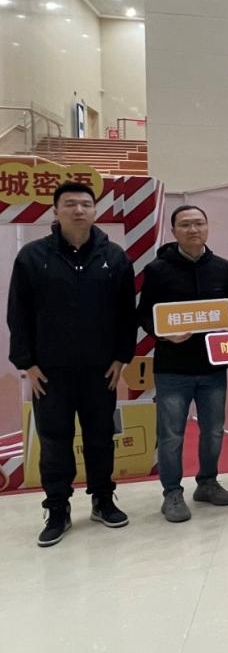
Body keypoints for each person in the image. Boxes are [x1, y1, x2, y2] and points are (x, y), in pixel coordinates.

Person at [7, 182, 136, 547]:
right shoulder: (33, 256)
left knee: (100, 437)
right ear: (55, 211)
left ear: (95, 211)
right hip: (50, 371)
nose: (78, 210)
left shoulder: (115, 256)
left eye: (85, 204)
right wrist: (27, 363)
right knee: (54, 440)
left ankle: (103, 499)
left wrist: (122, 356)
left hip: (101, 369)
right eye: (70, 204)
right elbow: (18, 313)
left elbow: (126, 313)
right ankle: (57, 509)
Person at [137, 205, 228, 523]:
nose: (193, 229)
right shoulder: (157, 269)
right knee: (171, 434)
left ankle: (207, 483)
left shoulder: (222, 267)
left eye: (199, 223)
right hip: (172, 368)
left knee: (214, 430)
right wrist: (164, 334)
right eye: (185, 224)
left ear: (208, 227)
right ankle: (172, 493)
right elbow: (144, 314)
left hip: (212, 366)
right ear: (174, 231)